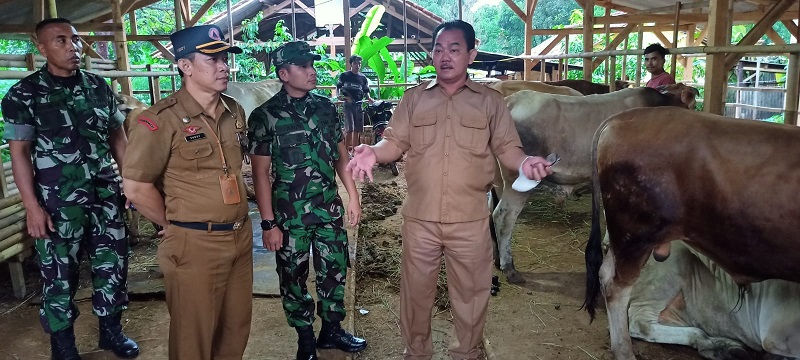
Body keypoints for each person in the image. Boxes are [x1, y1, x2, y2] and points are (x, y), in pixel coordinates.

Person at [346, 20, 554, 360]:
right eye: (439, 49)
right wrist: (374, 151)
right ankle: (416, 353)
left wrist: (526, 162)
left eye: (454, 49)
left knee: (472, 297)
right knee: (415, 295)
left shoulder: (490, 103)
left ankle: (467, 354)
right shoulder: (414, 98)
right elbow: (394, 141)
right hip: (420, 219)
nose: (445, 56)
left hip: (470, 221)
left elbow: (507, 148)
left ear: (470, 54)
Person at [1, 18, 139, 360]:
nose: (73, 47)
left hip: (106, 196)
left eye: (75, 40)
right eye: (61, 41)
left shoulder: (99, 87)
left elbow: (118, 139)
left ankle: (112, 332)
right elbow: (19, 155)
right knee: (59, 276)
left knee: (113, 264)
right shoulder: (24, 94)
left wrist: (132, 185)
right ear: (42, 47)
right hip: (57, 204)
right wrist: (32, 208)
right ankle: (63, 345)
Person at [121, 25, 253, 360]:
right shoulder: (158, 121)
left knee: (235, 328)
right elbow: (136, 186)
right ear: (185, 66)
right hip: (194, 243)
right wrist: (172, 223)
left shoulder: (233, 110)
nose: (223, 66)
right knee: (193, 338)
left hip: (239, 236)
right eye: (212, 59)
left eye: (224, 58)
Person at [247, 41, 365, 360]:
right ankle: (305, 338)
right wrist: (268, 223)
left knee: (334, 270)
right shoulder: (265, 116)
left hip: (328, 209)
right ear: (284, 73)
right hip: (289, 217)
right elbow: (261, 174)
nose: (311, 71)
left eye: (311, 65)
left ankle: (331, 331)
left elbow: (340, 156)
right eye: (302, 66)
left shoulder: (326, 107)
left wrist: (352, 197)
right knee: (292, 277)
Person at [336, 55, 373, 153]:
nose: (357, 65)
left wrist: (369, 98)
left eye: (359, 63)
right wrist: (338, 95)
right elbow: (338, 87)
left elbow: (365, 90)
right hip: (348, 104)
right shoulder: (345, 75)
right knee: (349, 129)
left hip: (359, 104)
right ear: (351, 64)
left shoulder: (363, 78)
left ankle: (355, 151)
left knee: (357, 129)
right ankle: (345, 152)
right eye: (355, 63)